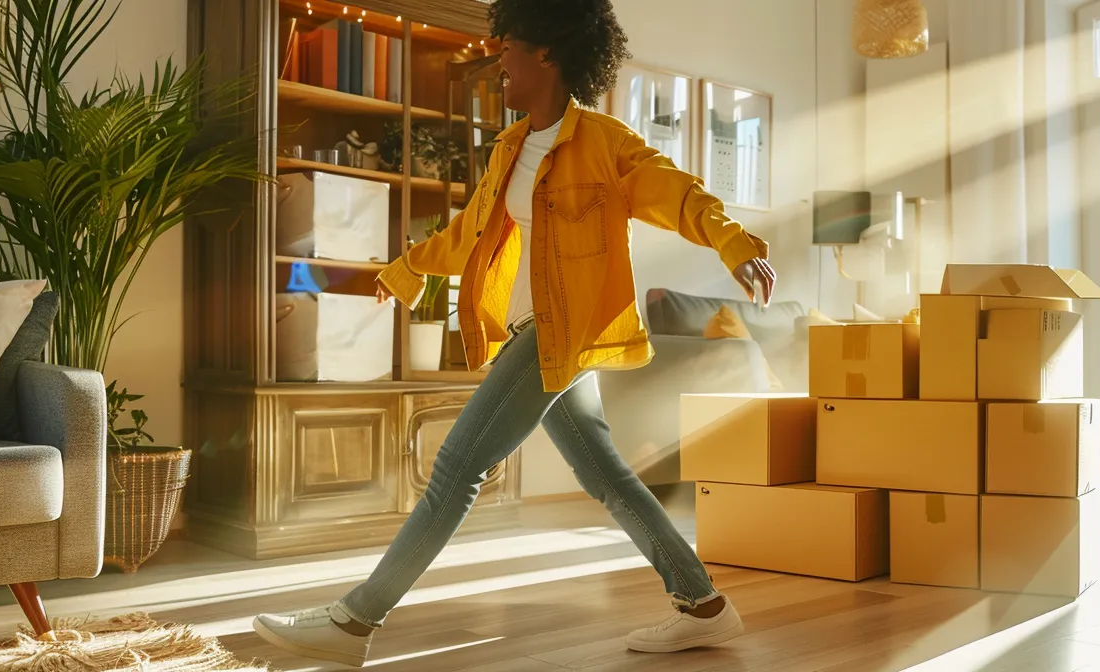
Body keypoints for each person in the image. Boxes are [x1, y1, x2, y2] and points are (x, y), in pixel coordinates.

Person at [251, 0, 778, 665]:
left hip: (564, 330)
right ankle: (704, 605)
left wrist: (733, 242)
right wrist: (406, 269)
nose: (496, 59)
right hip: (534, 330)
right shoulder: (509, 147)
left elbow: (675, 192)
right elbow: (467, 234)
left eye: (508, 49)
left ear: (549, 54)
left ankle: (355, 621)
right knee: (608, 475)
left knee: (455, 467)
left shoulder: (605, 142)